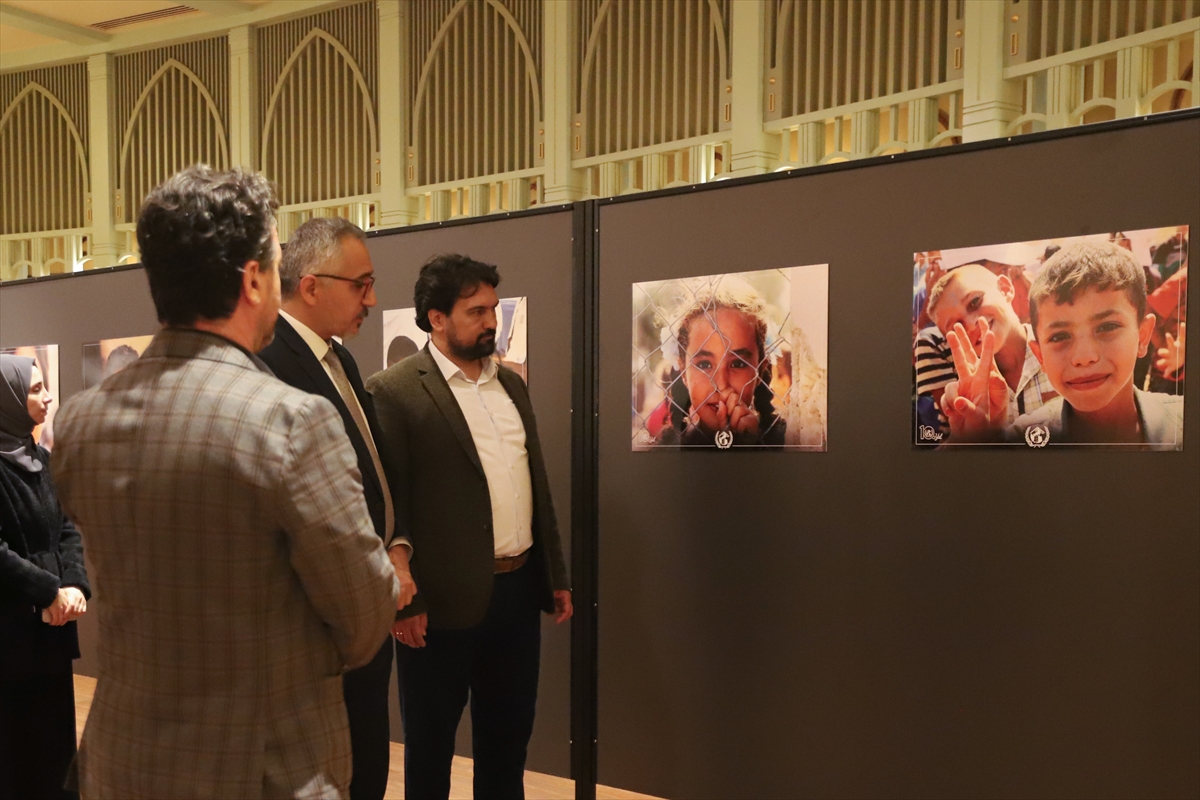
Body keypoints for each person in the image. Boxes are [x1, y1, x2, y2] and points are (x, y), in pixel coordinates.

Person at [50, 165, 399, 800]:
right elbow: (365, 617)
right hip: (263, 769)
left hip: (122, 764)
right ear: (253, 279)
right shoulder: (291, 422)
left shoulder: (79, 421)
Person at [365, 254, 571, 800]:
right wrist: (403, 602)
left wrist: (555, 572)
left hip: (517, 594)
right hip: (438, 606)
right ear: (436, 318)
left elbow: (535, 486)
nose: (491, 322)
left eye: (494, 309)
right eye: (476, 311)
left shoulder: (512, 387)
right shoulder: (395, 391)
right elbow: (388, 504)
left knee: (508, 747)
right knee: (430, 753)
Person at [258, 217, 416, 800]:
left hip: (367, 603)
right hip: (317, 621)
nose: (372, 299)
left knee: (366, 763)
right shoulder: (269, 362)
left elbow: (373, 470)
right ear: (311, 284)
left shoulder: (342, 360)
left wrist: (398, 545)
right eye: (361, 284)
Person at [0, 354, 90, 800]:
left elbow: (68, 528)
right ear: (9, 399)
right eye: (35, 389)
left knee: (56, 753)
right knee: (16, 756)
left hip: (52, 631)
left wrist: (74, 585)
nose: (48, 397)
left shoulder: (43, 457)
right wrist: (50, 590)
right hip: (12, 632)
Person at [1007, 240, 1184, 447]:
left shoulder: (1184, 426)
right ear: (1040, 356)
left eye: (1107, 327)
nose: (1084, 357)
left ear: (1143, 336)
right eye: (1059, 336)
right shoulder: (1019, 441)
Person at [927, 263, 1057, 442]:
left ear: (1005, 289)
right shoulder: (971, 396)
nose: (972, 323)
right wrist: (966, 439)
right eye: (957, 325)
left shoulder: (1060, 351)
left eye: (975, 302)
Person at [655, 276, 785, 447]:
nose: (721, 384)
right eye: (704, 364)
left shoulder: (789, 441)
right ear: (683, 371)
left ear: (760, 370)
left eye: (737, 364)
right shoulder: (666, 452)